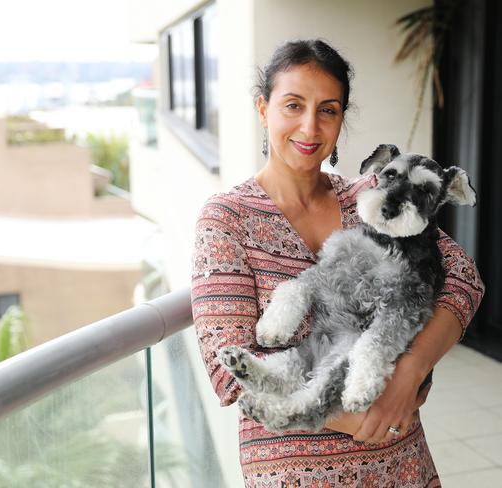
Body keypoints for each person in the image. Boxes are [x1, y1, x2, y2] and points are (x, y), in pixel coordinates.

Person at [191, 39, 485, 488]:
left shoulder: (367, 196)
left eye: (327, 110)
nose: (310, 127)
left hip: (398, 459)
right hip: (295, 469)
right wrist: (360, 416)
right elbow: (225, 368)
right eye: (293, 105)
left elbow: (464, 279)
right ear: (263, 108)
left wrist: (408, 373)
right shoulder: (227, 218)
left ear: (341, 120)